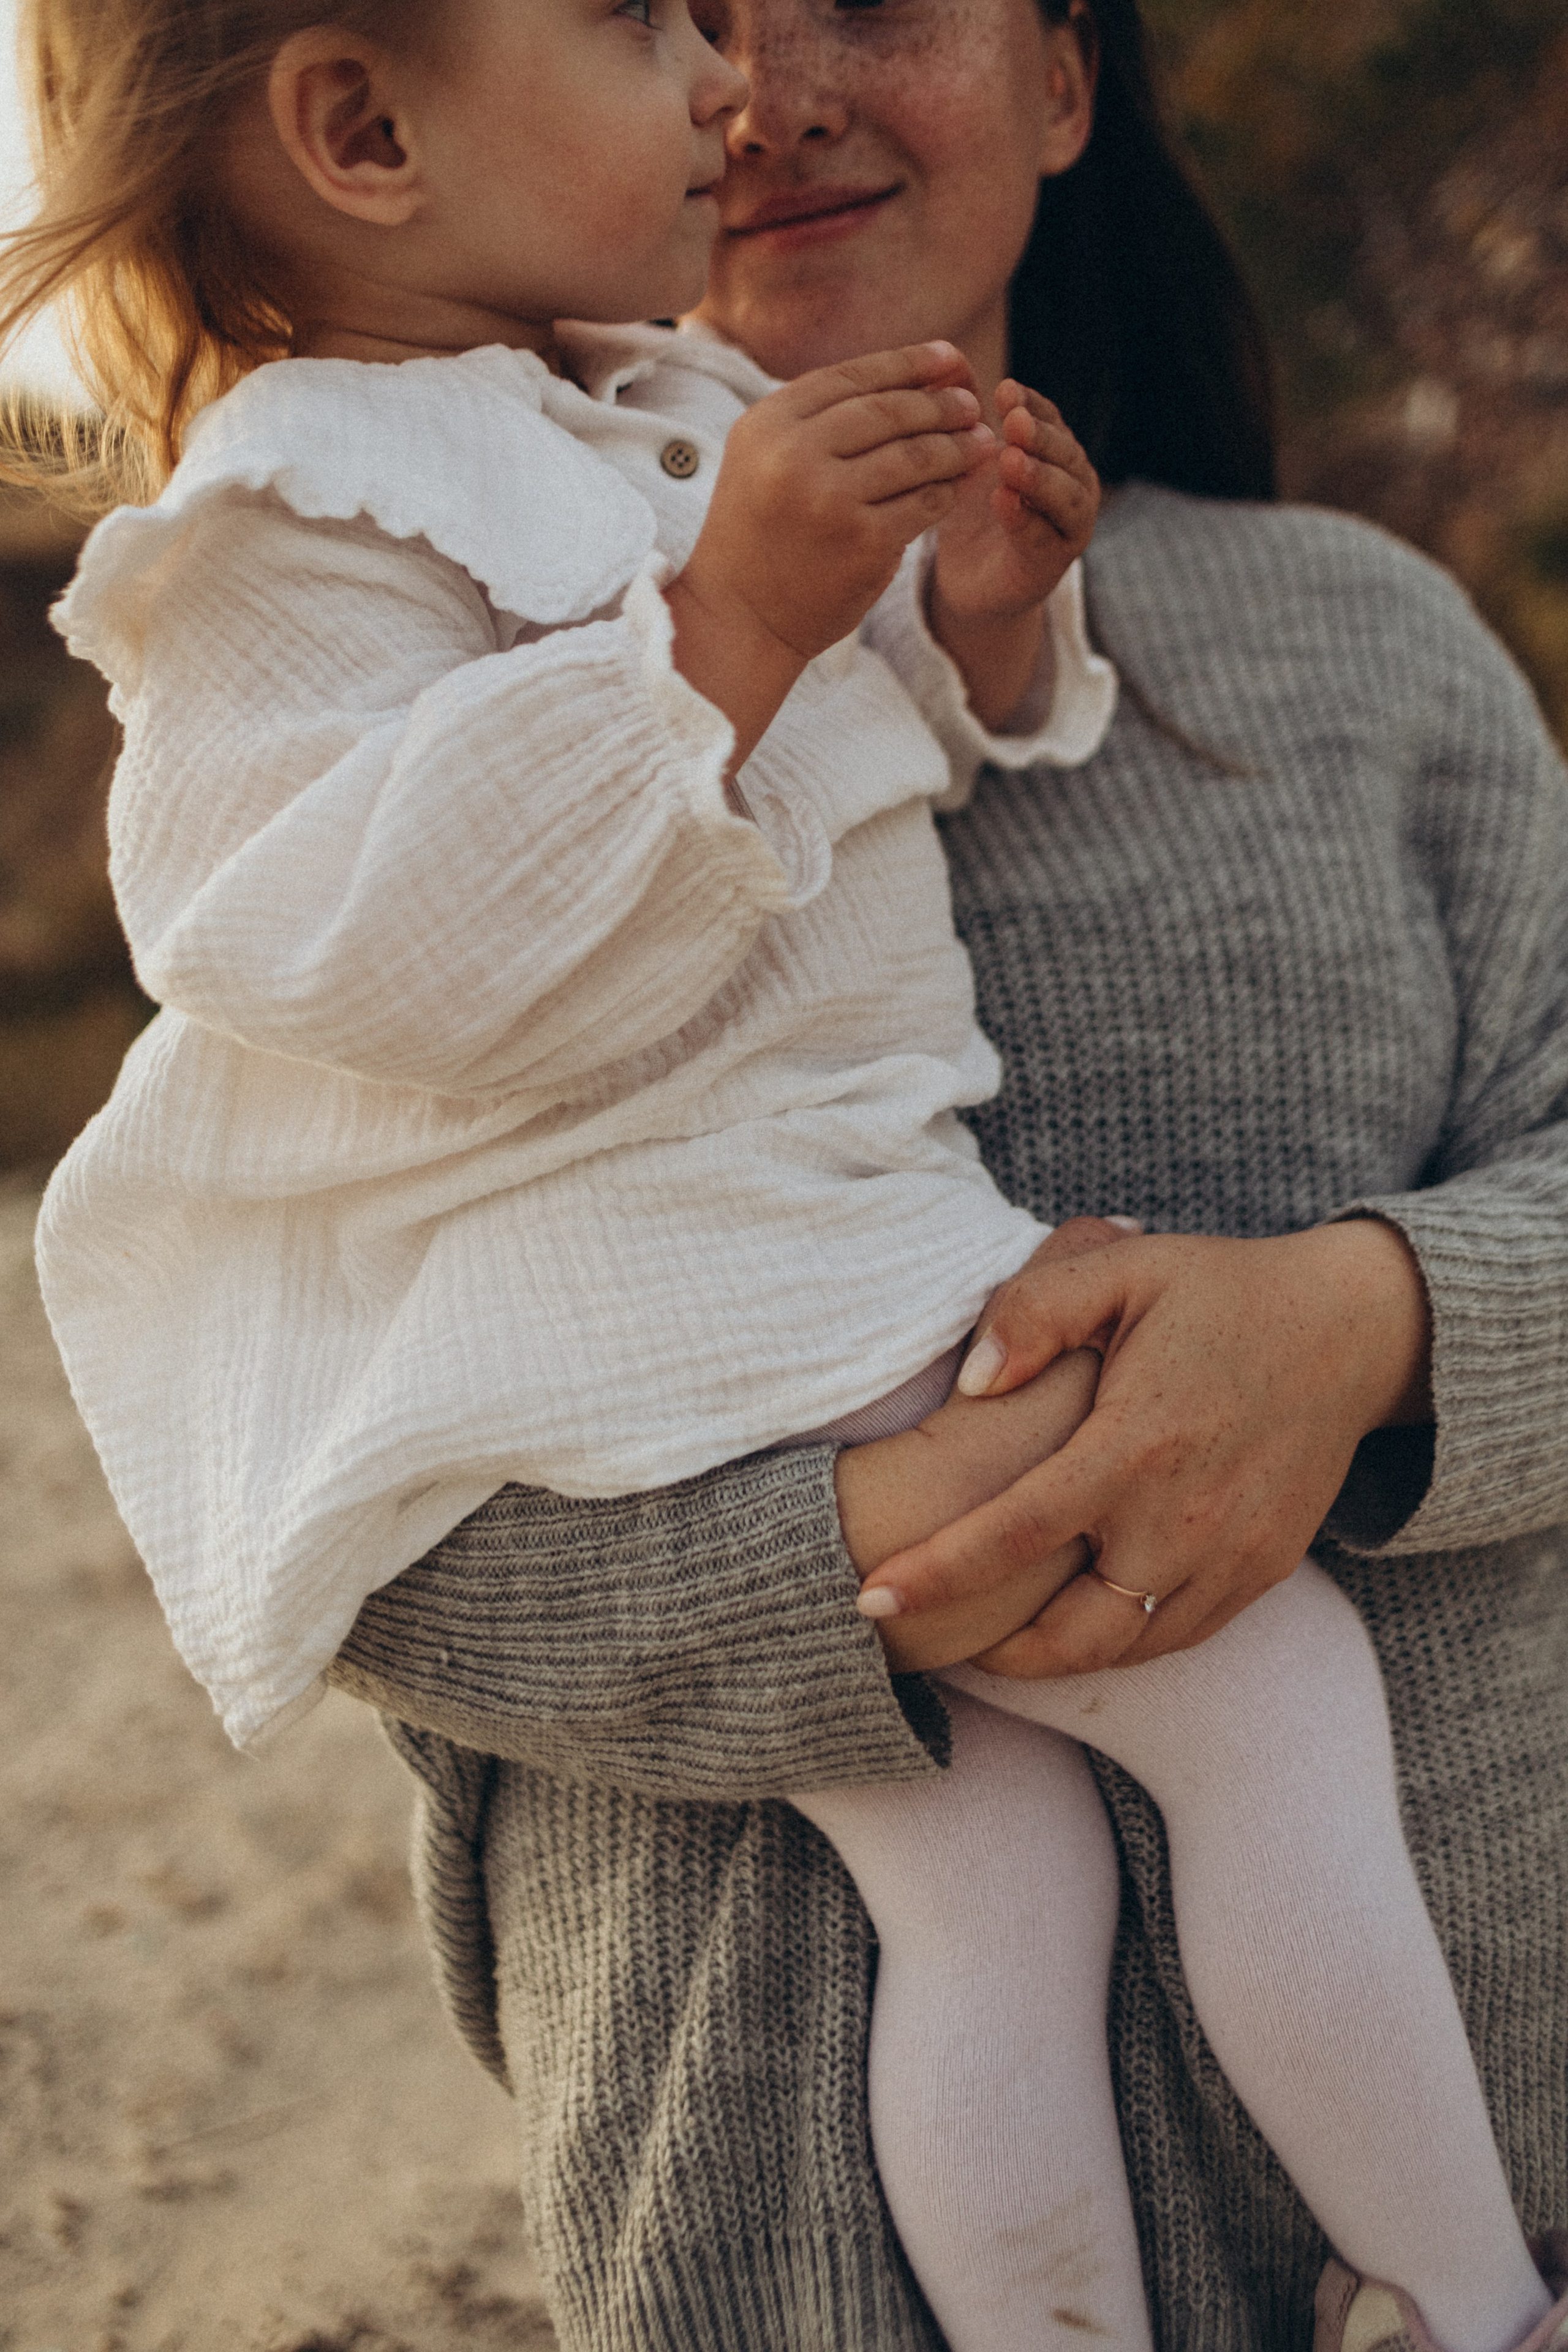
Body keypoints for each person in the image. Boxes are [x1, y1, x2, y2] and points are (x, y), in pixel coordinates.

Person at [7, 6, 1566, 2352]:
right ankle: (1454, 2302)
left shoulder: (1331, 625)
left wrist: (1370, 1321)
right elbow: (343, 1313)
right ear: (362, 132)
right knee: (1207, 1747)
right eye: (665, 18)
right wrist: (827, 1569)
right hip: (746, 1412)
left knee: (1013, 1881)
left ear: (1064, 77)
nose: (754, 84)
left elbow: (858, 743)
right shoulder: (328, 525)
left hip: (871, 1304)